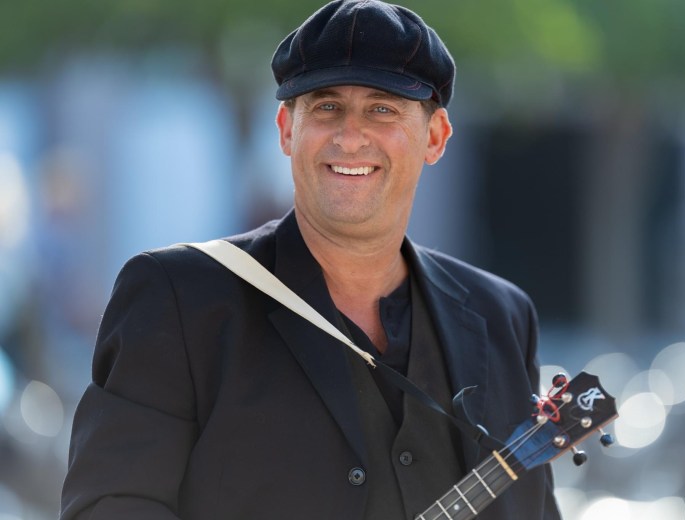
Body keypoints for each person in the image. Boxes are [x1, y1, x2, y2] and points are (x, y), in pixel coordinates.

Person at [60, 1, 562, 518]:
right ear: (286, 129)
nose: (349, 135)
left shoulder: (501, 316)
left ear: (434, 137)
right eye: (325, 107)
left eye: (383, 108)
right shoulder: (176, 297)